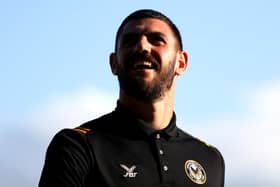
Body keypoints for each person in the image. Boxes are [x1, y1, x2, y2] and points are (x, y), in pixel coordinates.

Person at [39, 9, 225, 187]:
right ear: (114, 63)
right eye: (129, 41)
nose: (142, 46)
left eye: (157, 40)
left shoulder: (209, 158)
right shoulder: (77, 146)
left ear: (181, 63)